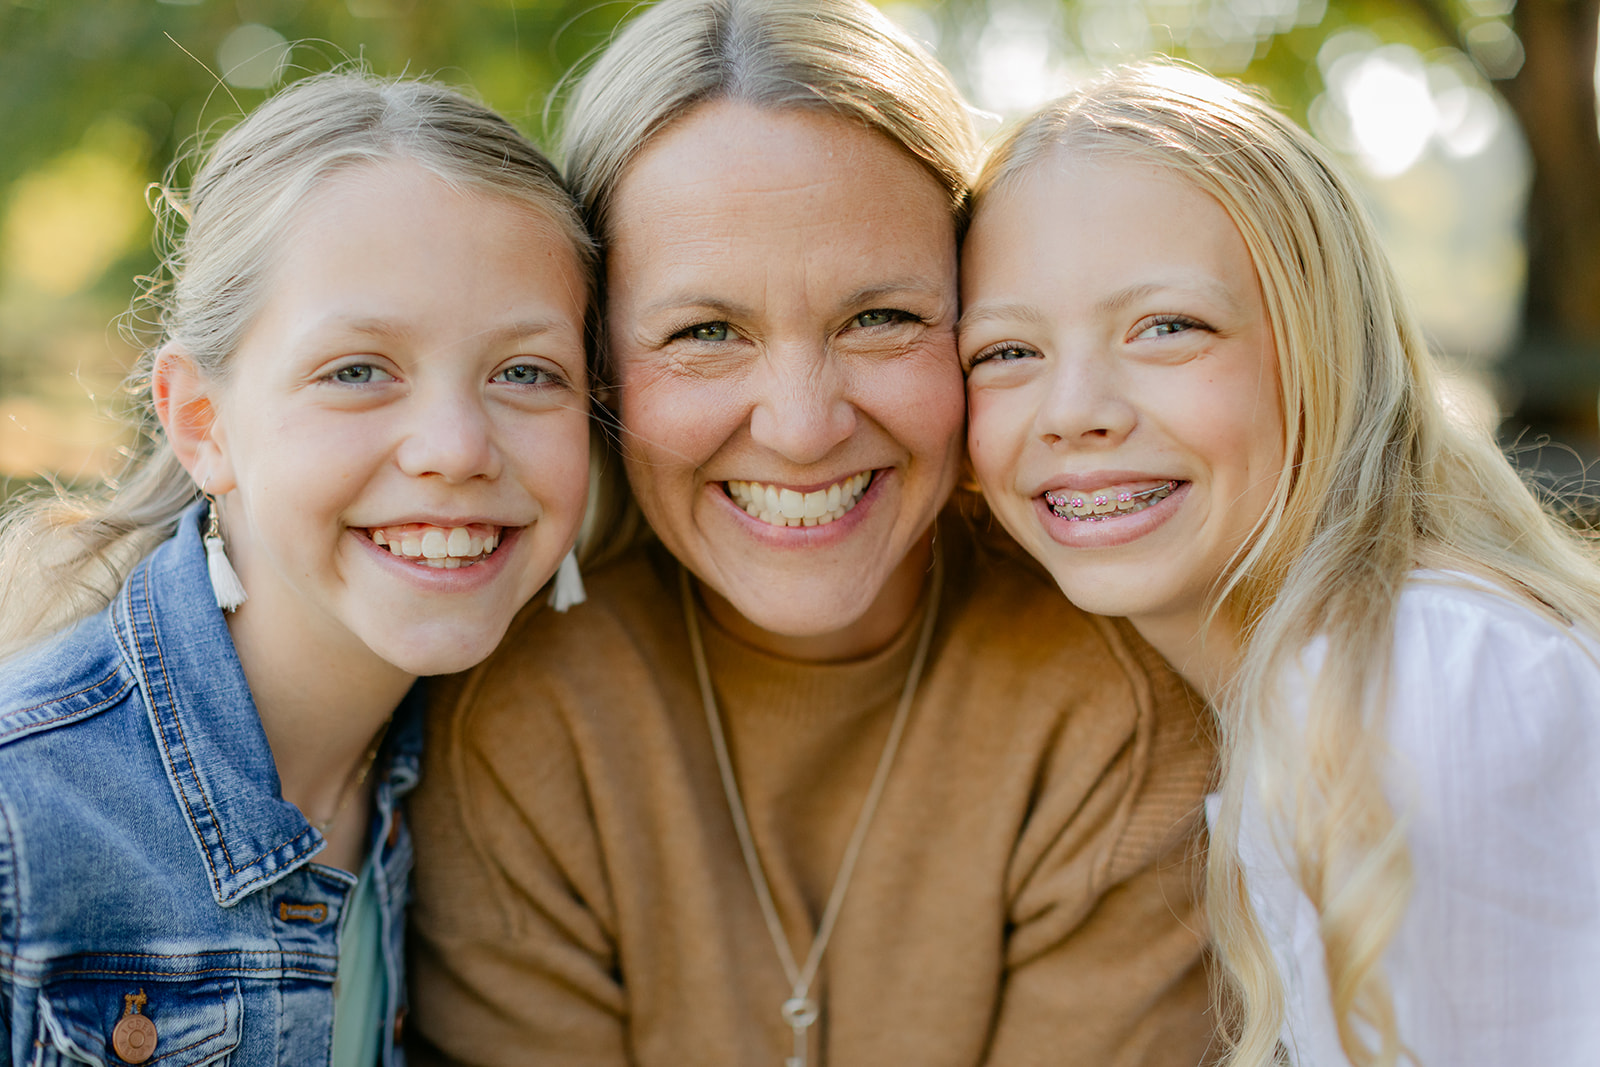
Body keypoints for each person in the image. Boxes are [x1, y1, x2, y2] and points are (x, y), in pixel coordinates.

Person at [406, 3, 1220, 1066]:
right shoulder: (515, 721)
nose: (801, 427)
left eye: (877, 318)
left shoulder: (1116, 704)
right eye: (705, 331)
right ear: (596, 364)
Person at [960, 61, 1600, 1067]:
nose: (1074, 406)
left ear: (1319, 350)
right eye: (1003, 350)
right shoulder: (1297, 685)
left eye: (1167, 327)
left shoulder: (1411, 680)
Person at [0, 71, 595, 1065]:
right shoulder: (26, 825)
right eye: (358, 369)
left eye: (525, 371)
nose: (455, 446)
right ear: (203, 420)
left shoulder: (488, 768)